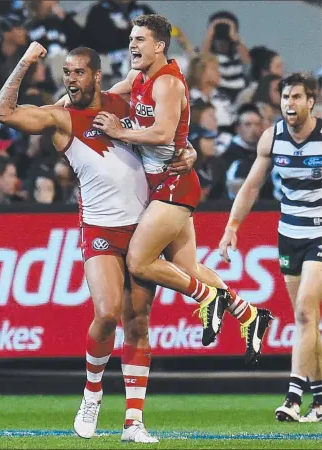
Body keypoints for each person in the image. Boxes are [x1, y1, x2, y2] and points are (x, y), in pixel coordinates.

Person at [0, 43, 165, 443]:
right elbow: (2, 113)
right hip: (101, 229)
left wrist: (184, 152)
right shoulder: (61, 118)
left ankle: (133, 422)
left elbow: (166, 134)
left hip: (142, 226)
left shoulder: (124, 104)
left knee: (138, 323)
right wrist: (24, 61)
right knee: (107, 313)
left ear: (97, 75)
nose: (70, 78)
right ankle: (91, 394)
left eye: (78, 72)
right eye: (66, 72)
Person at [92, 14, 273, 363]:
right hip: (166, 181)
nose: (132, 44)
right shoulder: (139, 76)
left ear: (159, 45)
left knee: (140, 262)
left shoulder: (168, 83)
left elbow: (162, 133)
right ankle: (250, 315)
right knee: (189, 268)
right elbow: (105, 98)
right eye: (131, 38)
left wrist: (119, 132)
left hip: (173, 186)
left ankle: (208, 297)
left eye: (140, 39)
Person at [218, 72, 322, 423]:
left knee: (307, 313)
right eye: (285, 98)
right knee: (307, 322)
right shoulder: (272, 137)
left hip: (320, 234)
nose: (289, 104)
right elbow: (250, 187)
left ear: (312, 102)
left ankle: (293, 397)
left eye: (297, 97)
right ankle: (321, 401)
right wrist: (232, 227)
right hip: (289, 234)